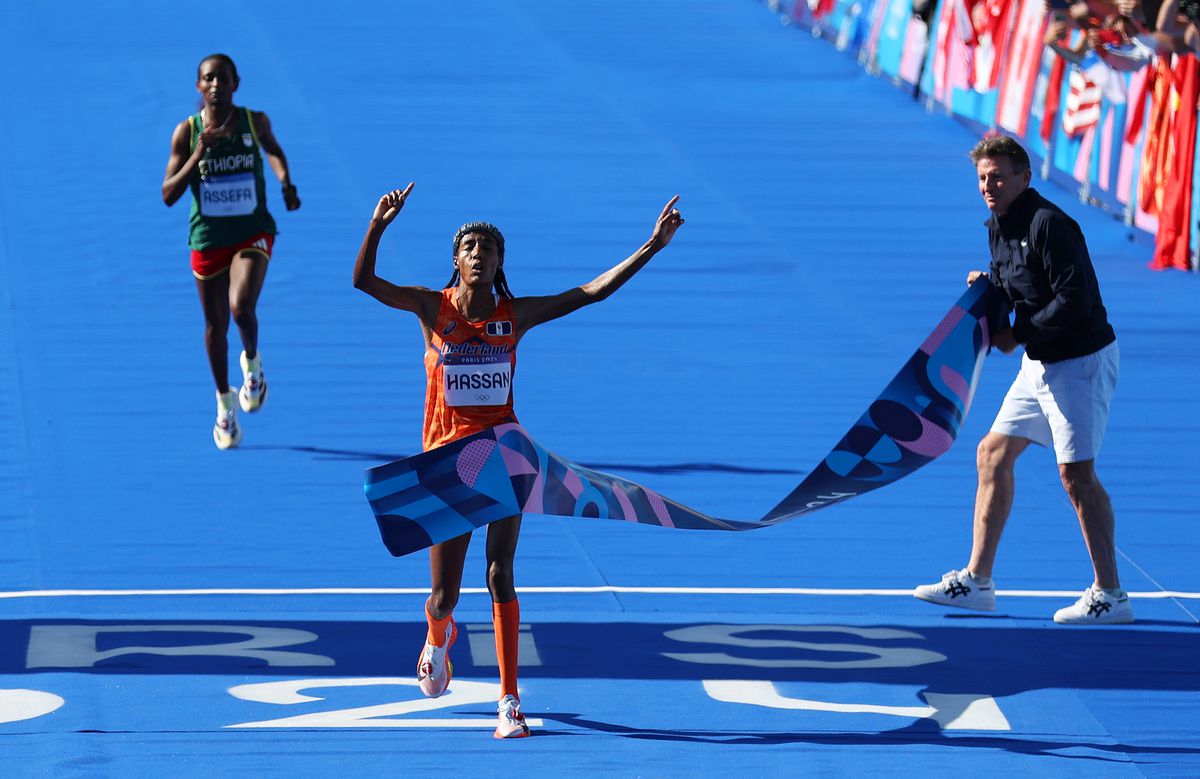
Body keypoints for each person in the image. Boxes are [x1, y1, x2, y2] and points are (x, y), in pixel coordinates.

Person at [352, 183, 685, 738]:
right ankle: (438, 635)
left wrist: (651, 246)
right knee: (446, 593)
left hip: (504, 457)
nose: (480, 254)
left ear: (501, 262)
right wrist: (378, 225)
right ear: (456, 261)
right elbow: (364, 282)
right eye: (470, 247)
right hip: (445, 464)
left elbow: (590, 293)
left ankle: (508, 702)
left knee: (500, 574)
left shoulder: (515, 315)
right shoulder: (430, 307)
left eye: (490, 248)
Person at [913, 135, 1130, 624]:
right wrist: (988, 290)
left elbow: (1073, 300)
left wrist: (1015, 334)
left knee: (1077, 476)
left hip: (1080, 364)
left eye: (998, 177)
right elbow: (1014, 280)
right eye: (982, 179)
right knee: (991, 452)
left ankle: (1111, 594)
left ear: (1023, 178)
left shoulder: (1051, 225)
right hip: (1040, 363)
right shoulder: (997, 226)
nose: (989, 186)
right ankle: (978, 582)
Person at [162, 53, 301, 449]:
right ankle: (225, 404)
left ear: (236, 83)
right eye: (209, 78)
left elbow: (273, 150)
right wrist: (199, 152)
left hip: (252, 231)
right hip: (207, 238)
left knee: (241, 308)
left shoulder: (254, 122)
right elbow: (169, 194)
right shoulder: (186, 132)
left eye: (223, 77)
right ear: (199, 86)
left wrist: (286, 183)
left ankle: (253, 366)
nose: (216, 84)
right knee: (214, 326)